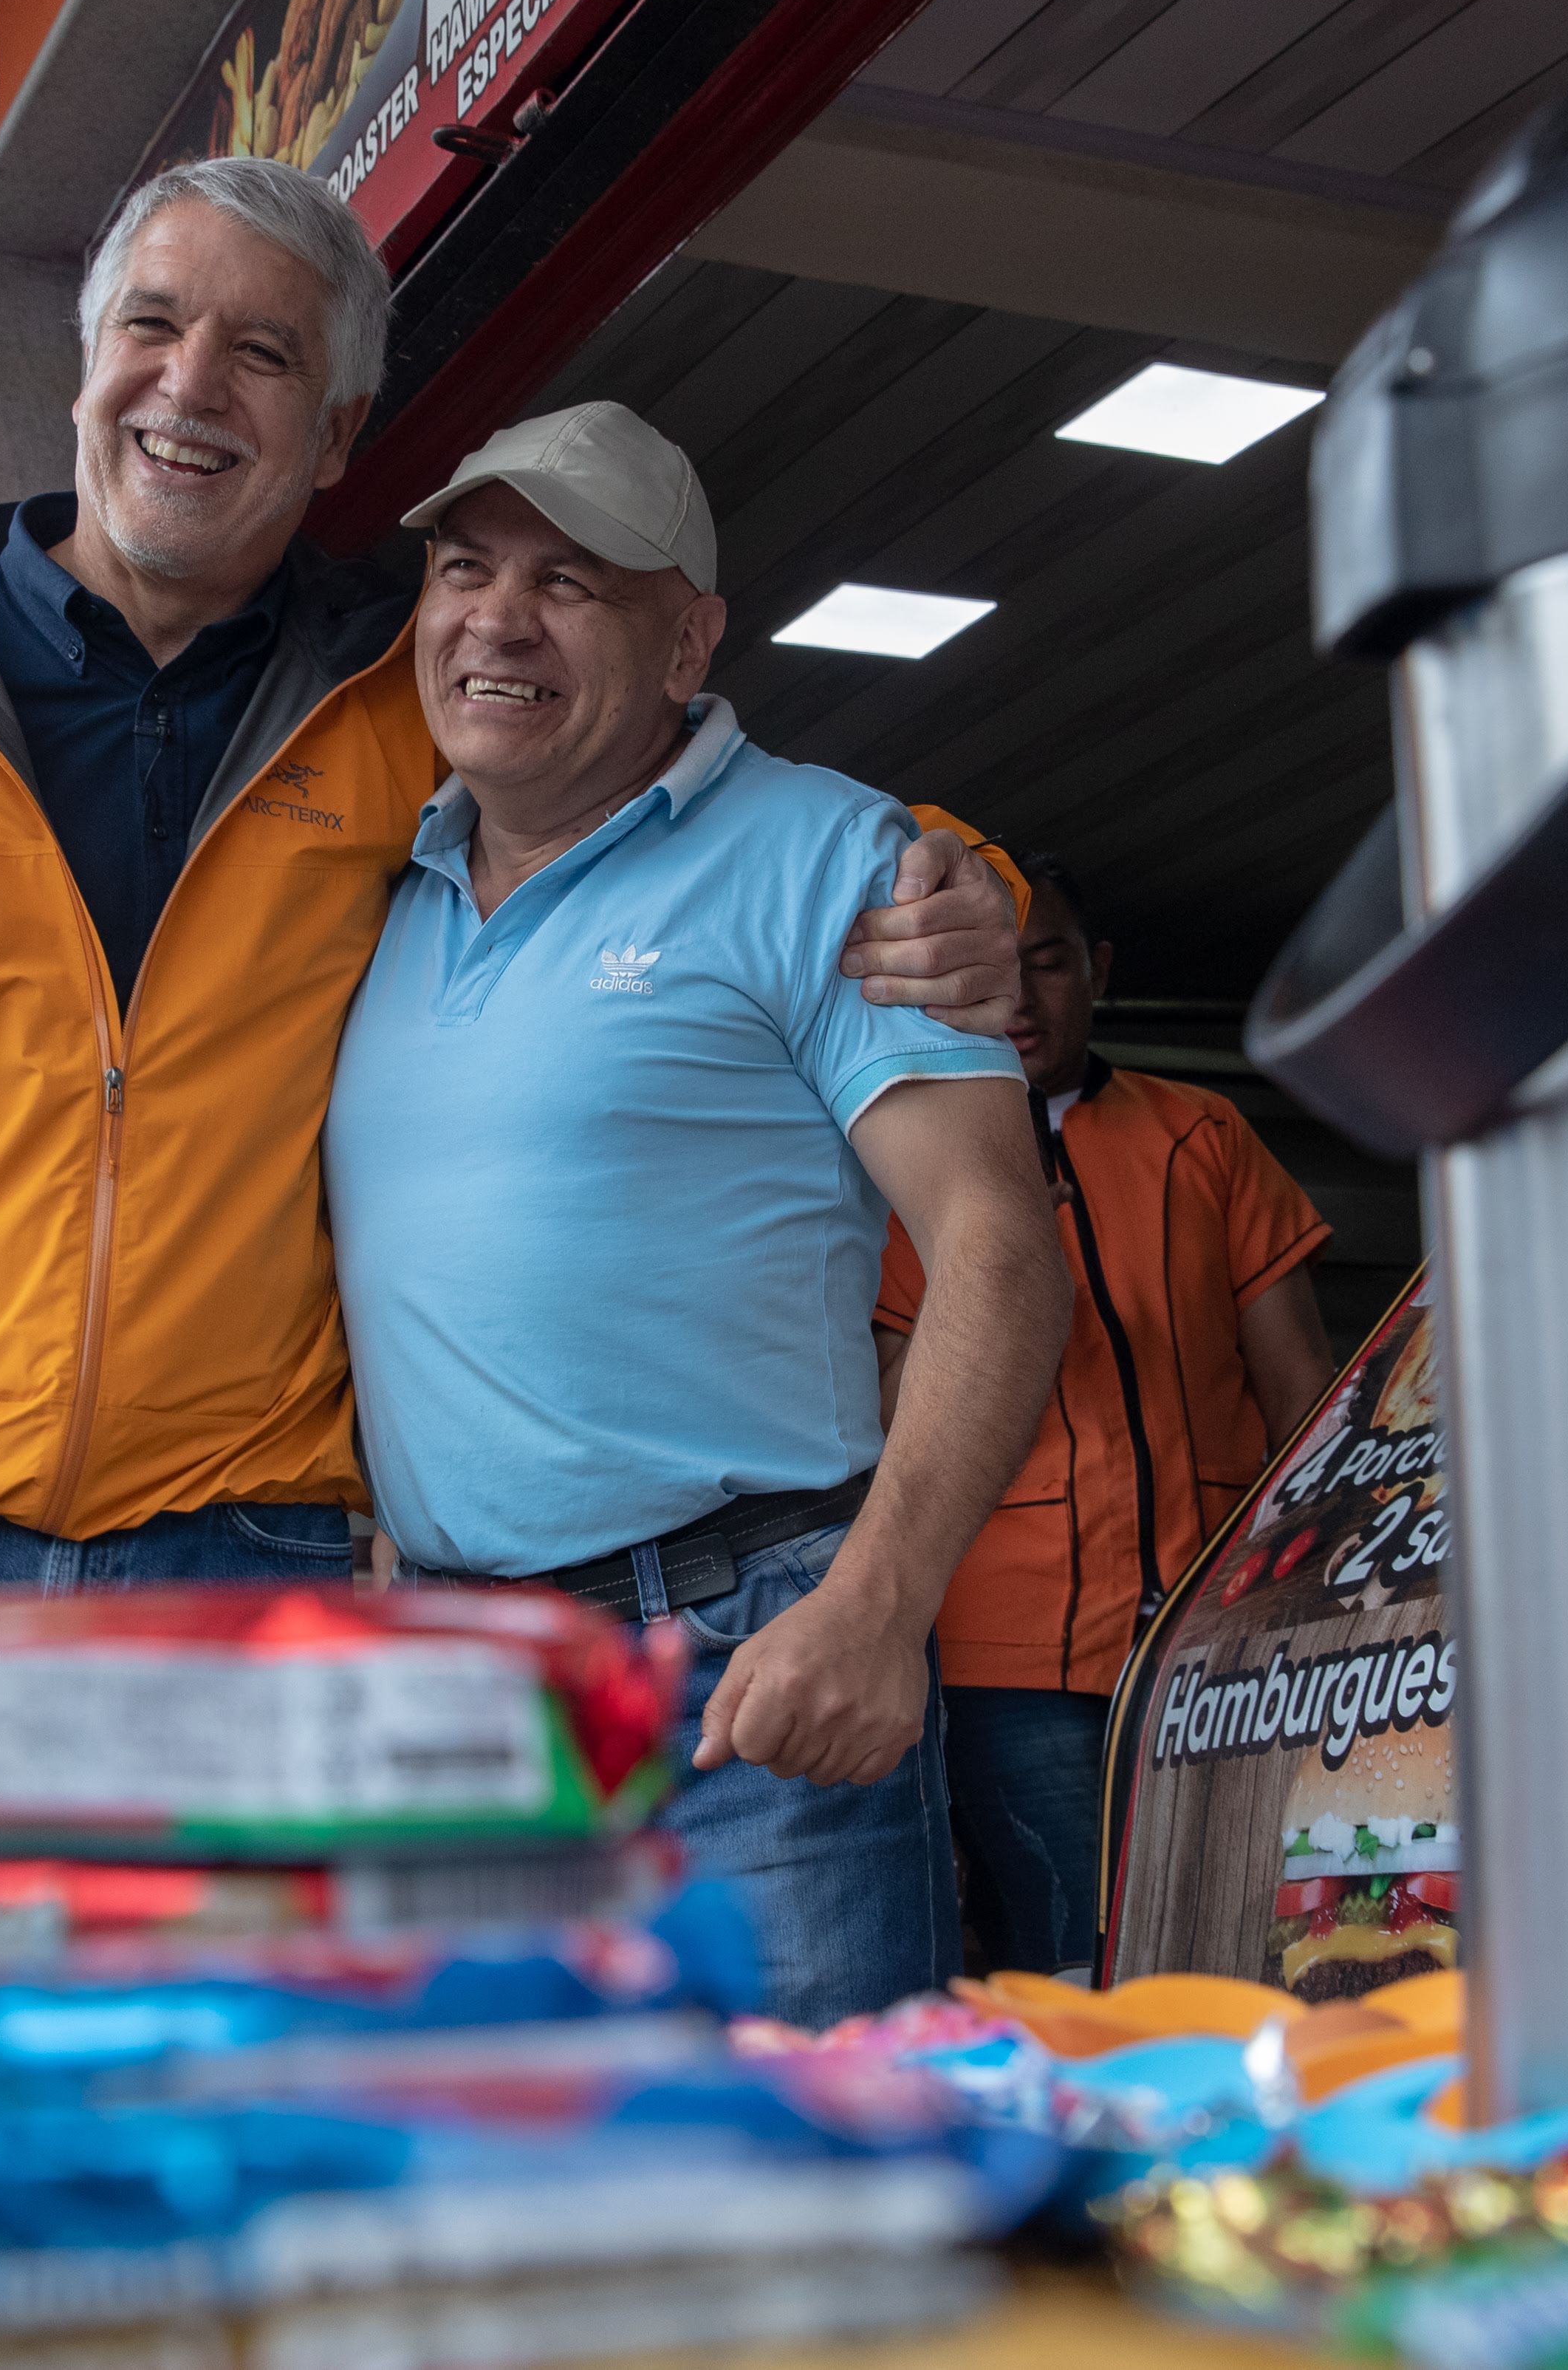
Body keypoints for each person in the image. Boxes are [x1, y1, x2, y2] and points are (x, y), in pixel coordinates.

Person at [0, 156, 1022, 1609]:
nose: (189, 383)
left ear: (336, 434)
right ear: (87, 368)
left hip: (243, 1554)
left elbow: (685, 806)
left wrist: (969, 883)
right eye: (150, 327)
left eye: (260, 353)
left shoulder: (400, 707)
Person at [323, 403, 1076, 2028]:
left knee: (797, 2212)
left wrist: (873, 1609)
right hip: (465, 1702)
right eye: (464, 569)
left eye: (571, 581)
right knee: (514, 2199)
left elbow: (1001, 1254)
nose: (497, 619)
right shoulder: (375, 889)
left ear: (688, 641)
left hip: (745, 1672)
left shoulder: (836, 858)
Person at [876, 857, 1339, 1974]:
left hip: (1216, 1624)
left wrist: (1314, 1597)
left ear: (1099, 973)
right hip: (1010, 1645)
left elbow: (1304, 1392)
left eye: (1051, 964)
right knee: (1075, 1945)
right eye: (1002, 968)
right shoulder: (907, 1156)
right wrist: (999, 1266)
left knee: (1244, 1925)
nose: (1025, 999)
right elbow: (893, 1410)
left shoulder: (1199, 1135)